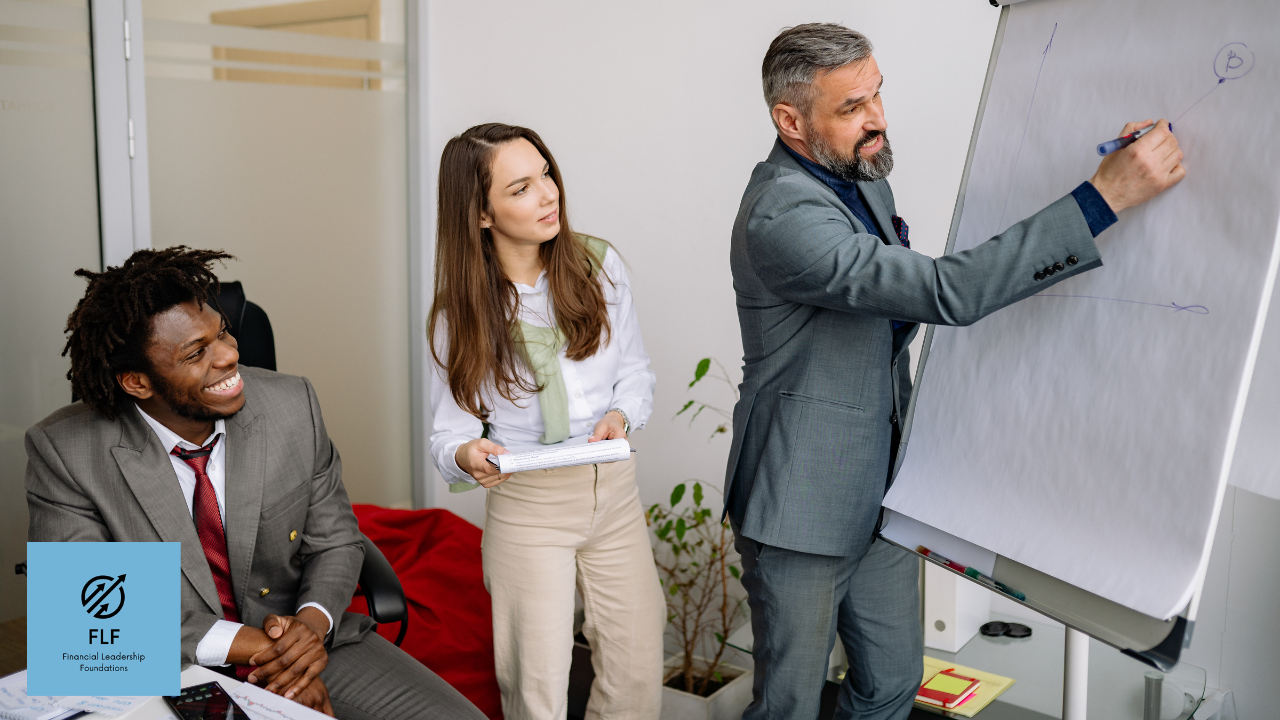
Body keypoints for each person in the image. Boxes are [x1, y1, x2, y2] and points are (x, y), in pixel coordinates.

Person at [724, 23, 1185, 720]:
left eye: (876, 95)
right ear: (790, 120)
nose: (876, 119)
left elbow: (888, 311)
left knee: (891, 684)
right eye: (851, 108)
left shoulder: (858, 175)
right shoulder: (781, 215)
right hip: (800, 502)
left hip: (879, 490)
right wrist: (1102, 199)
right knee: (787, 706)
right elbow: (944, 293)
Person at [26, 247, 486, 720]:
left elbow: (336, 542)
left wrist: (310, 627)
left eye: (222, 332)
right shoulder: (65, 451)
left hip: (307, 642)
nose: (229, 355)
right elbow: (90, 617)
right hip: (161, 661)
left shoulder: (293, 404)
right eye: (197, 352)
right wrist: (267, 652)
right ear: (137, 382)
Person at [428, 123, 663, 720]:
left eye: (547, 174)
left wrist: (620, 414)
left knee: (635, 671)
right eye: (522, 188)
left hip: (612, 492)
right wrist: (466, 456)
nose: (548, 194)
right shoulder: (465, 309)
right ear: (481, 214)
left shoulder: (600, 267)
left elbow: (635, 371)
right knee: (536, 689)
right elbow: (447, 432)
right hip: (529, 505)